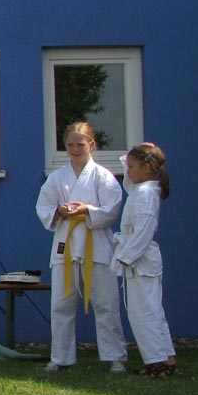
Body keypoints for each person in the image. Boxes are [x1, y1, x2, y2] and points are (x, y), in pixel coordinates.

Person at [34, 120, 126, 373]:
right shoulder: (57, 178)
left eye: (80, 145)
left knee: (106, 303)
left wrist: (87, 210)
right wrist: (59, 211)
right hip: (65, 244)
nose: (75, 150)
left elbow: (112, 210)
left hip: (96, 245)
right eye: (70, 145)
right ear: (65, 146)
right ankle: (60, 357)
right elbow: (43, 207)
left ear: (91, 145)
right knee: (61, 304)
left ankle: (115, 356)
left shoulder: (103, 176)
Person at [111, 143, 177, 377]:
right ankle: (166, 360)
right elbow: (130, 176)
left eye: (131, 167)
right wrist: (137, 151)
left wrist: (126, 258)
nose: (127, 172)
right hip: (139, 259)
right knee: (152, 311)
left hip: (140, 260)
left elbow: (144, 230)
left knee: (143, 313)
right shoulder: (141, 189)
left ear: (146, 168)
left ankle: (156, 363)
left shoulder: (146, 194)